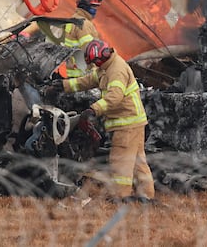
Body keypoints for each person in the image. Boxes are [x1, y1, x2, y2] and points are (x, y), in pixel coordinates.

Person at [61, 39, 154, 202]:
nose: (95, 66)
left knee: (120, 161)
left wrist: (93, 109)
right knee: (138, 162)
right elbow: (88, 80)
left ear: (99, 59)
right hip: (133, 122)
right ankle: (146, 196)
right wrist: (63, 85)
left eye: (95, 63)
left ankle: (121, 197)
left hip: (126, 123)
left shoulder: (116, 70)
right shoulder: (106, 66)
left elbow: (114, 96)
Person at [63, 0, 103, 78]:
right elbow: (90, 50)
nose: (95, 10)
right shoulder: (84, 24)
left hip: (73, 72)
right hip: (84, 74)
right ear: (84, 6)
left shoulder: (73, 20)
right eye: (93, 7)